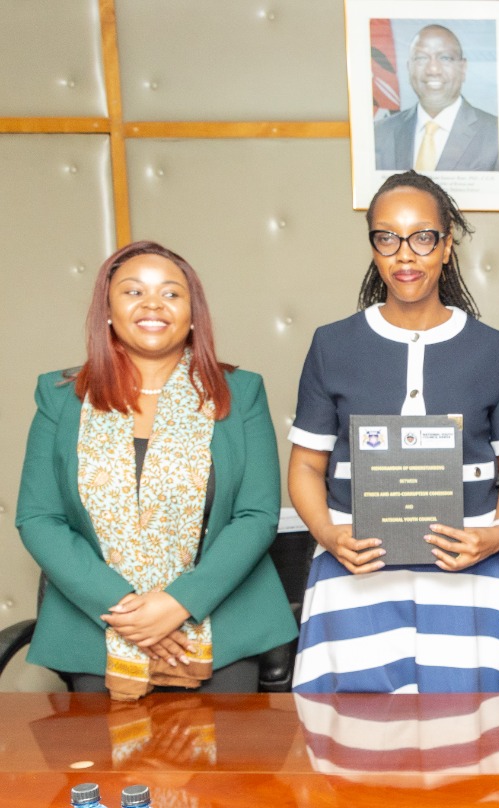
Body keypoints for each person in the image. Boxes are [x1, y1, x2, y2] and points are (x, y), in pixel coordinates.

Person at [287, 170, 499, 693]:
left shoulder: (494, 350)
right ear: (374, 247)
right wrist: (330, 535)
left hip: (468, 572)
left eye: (423, 237)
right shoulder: (332, 345)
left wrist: (498, 534)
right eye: (387, 237)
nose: (405, 254)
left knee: (471, 744)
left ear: (447, 246)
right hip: (354, 574)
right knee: (355, 746)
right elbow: (307, 467)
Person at [16, 241, 296, 699]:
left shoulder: (241, 392)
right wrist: (129, 613)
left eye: (170, 294)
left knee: (231, 771)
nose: (152, 305)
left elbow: (256, 516)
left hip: (222, 629)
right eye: (132, 292)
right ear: (107, 309)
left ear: (192, 313)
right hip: (97, 629)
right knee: (104, 771)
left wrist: (177, 604)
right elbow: (39, 518)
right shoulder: (61, 397)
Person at [373, 23, 499, 172]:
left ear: (463, 68)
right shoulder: (379, 133)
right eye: (421, 58)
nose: (433, 69)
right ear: (409, 68)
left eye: (445, 58)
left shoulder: (497, 134)